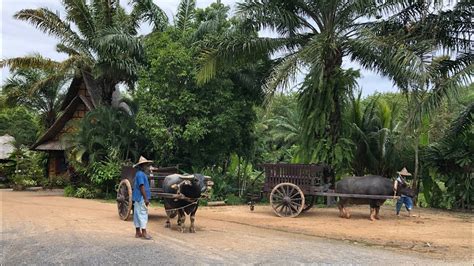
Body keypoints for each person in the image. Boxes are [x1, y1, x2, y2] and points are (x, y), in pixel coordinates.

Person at [132, 156, 153, 240]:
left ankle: (138, 232)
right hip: (141, 198)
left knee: (137, 214)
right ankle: (144, 233)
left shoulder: (138, 174)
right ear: (142, 166)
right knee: (143, 214)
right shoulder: (141, 174)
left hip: (137, 197)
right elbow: (142, 186)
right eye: (146, 165)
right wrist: (146, 198)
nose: (147, 167)